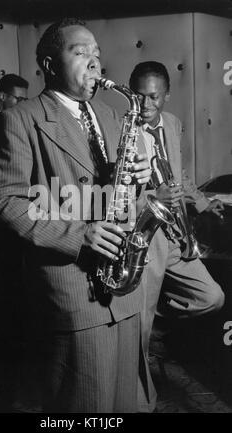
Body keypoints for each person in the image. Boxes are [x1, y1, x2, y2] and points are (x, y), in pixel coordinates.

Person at [0, 18, 156, 413]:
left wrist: (138, 179)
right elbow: (4, 202)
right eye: (80, 53)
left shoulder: (114, 118)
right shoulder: (16, 120)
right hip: (74, 291)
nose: (95, 62)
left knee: (126, 405)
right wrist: (79, 235)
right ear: (49, 63)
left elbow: (119, 197)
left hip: (125, 290)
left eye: (97, 54)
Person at [128, 61, 225, 358]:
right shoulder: (121, 129)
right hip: (147, 235)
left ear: (166, 95)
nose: (145, 104)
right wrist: (154, 197)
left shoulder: (172, 122)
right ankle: (141, 401)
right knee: (138, 334)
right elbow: (115, 193)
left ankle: (154, 325)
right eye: (139, 95)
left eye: (154, 97)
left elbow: (178, 175)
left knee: (212, 297)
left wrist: (204, 204)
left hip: (176, 233)